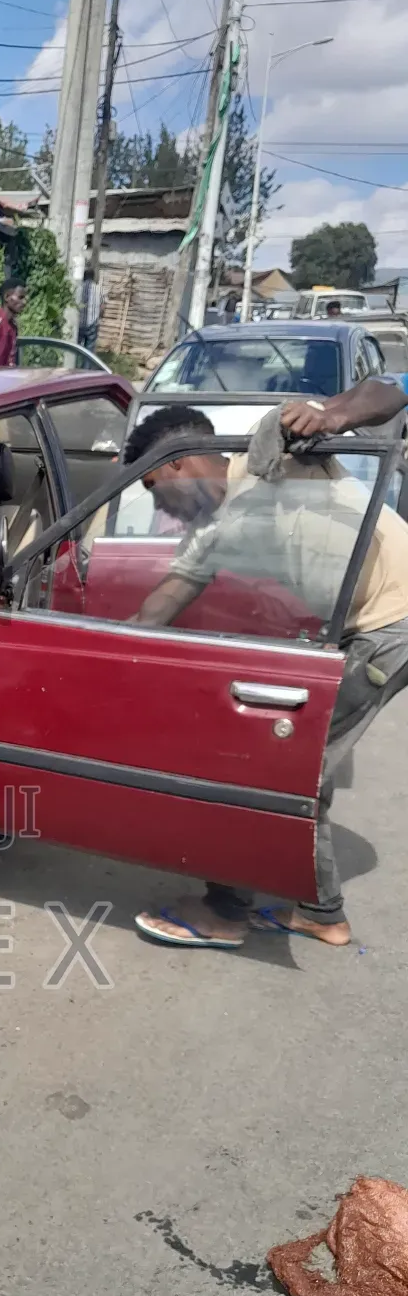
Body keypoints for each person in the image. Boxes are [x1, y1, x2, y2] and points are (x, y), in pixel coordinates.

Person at [128, 382, 408, 952]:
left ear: (179, 465)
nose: (160, 508)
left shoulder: (268, 453)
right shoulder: (207, 535)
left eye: (155, 489)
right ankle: (320, 911)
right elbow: (156, 609)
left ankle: (225, 910)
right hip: (362, 630)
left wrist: (330, 414)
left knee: (257, 767)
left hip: (393, 621)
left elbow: (388, 391)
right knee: (304, 770)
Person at [78, 267, 103, 352]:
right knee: (89, 350)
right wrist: (99, 318)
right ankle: (86, 365)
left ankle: (74, 364)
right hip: (93, 324)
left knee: (76, 348)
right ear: (93, 277)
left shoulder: (79, 288)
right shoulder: (99, 289)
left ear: (84, 276)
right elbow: (102, 307)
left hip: (79, 324)